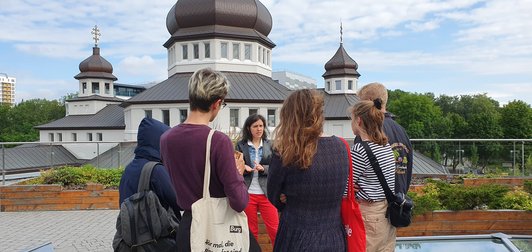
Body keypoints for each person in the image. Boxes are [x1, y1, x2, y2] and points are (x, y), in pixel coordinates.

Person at [159, 68, 260, 252]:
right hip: (218, 230)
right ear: (217, 103)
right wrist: (238, 172)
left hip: (189, 229)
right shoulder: (217, 140)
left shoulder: (166, 139)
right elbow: (239, 202)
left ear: (191, 98)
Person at [267, 89, 348, 252]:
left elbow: (273, 194)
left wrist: (288, 200)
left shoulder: (286, 151)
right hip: (334, 237)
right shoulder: (341, 147)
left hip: (296, 235)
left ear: (289, 116)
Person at [349, 99, 397, 252]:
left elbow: (345, 188)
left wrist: (350, 187)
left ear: (359, 120)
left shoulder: (359, 150)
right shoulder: (385, 146)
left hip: (369, 215)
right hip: (385, 212)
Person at [357, 82, 413, 195]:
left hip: (375, 203)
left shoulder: (369, 130)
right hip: (399, 202)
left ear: (368, 101)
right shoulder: (401, 130)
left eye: (359, 103)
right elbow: (409, 168)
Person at [236, 114, 279, 245]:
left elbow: (277, 168)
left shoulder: (271, 145)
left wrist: (263, 169)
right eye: (255, 126)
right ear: (249, 128)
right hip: (248, 194)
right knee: (251, 232)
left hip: (267, 193)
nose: (259, 129)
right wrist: (244, 167)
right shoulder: (240, 145)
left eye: (261, 126)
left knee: (275, 230)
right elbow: (234, 167)